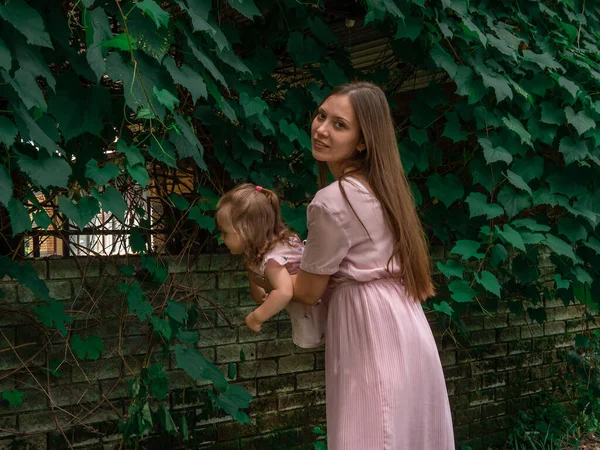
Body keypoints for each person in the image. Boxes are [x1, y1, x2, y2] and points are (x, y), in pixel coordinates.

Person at [291, 82, 455, 449]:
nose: (321, 129)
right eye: (321, 116)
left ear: (363, 141)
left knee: (368, 433)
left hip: (369, 330)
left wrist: (266, 268)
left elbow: (308, 290)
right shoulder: (384, 189)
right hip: (407, 325)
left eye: (339, 125)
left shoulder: (332, 201)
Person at [215, 183, 326, 348]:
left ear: (246, 230)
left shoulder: (273, 258)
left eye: (225, 233)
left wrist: (257, 317)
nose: (222, 239)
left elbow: (284, 291)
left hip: (323, 307)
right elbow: (256, 274)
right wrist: (258, 290)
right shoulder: (264, 250)